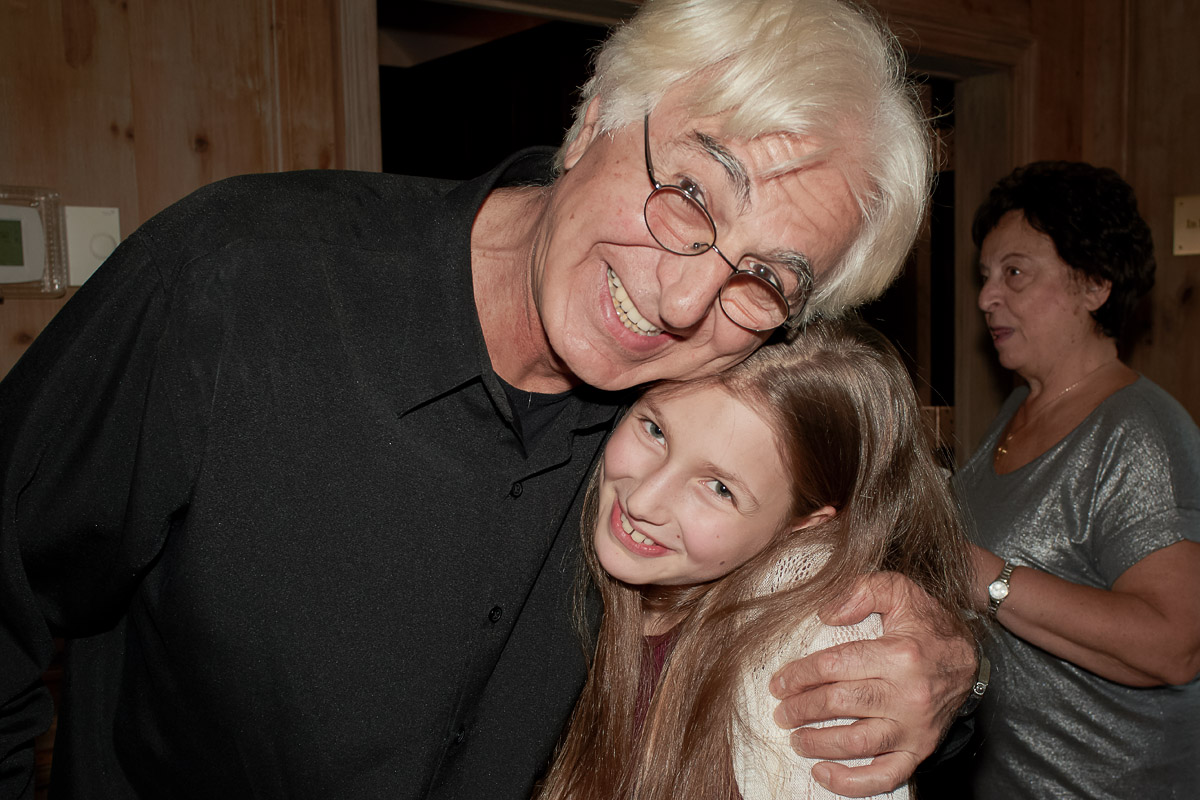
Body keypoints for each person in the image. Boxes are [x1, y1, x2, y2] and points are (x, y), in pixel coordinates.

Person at [0, 1, 977, 797]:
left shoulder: (692, 417)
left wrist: (951, 665)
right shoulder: (239, 284)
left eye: (762, 276)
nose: (681, 302)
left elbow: (847, 563)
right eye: (689, 193)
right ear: (592, 116)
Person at [536, 318, 982, 800]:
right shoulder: (548, 500)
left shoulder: (805, 660)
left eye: (720, 488)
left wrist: (967, 671)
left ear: (803, 525)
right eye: (655, 429)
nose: (644, 500)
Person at [955, 161, 1200, 798]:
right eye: (985, 277)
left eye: (1014, 272)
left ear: (1094, 284)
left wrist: (986, 578)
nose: (986, 297)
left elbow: (1176, 644)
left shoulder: (1139, 430)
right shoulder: (1018, 407)